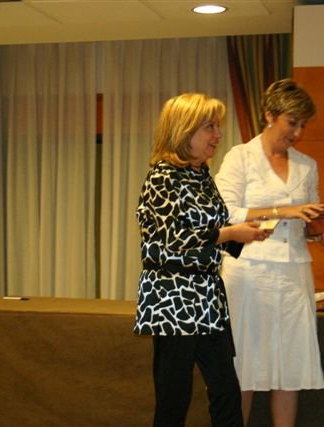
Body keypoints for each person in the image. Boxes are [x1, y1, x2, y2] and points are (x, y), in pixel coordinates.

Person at [134, 93, 272, 427]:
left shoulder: (202, 175)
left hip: (208, 298)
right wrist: (230, 233)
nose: (218, 134)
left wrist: (246, 233)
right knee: (174, 397)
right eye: (209, 127)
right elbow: (176, 238)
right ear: (184, 130)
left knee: (226, 390)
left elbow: (213, 230)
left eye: (217, 126)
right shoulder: (162, 176)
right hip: (172, 297)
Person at [215, 79, 324, 427]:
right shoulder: (240, 157)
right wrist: (280, 211)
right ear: (269, 115)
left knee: (289, 367)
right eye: (292, 122)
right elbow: (224, 213)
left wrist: (320, 231)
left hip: (294, 272)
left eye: (303, 124)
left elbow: (307, 218)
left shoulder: (307, 164)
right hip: (248, 272)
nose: (298, 132)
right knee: (244, 366)